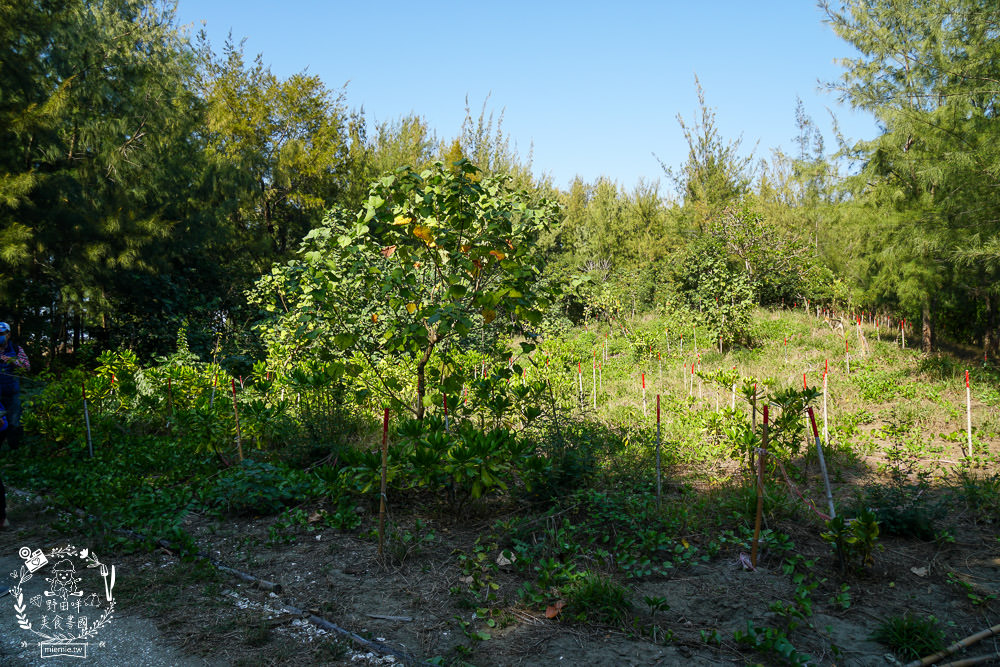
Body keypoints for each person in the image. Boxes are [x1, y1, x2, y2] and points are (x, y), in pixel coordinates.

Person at [0, 321, 29, 450]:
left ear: (8, 334)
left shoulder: (17, 349)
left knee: (14, 422)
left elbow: (27, 367)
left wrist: (13, 361)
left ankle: (14, 450)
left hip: (13, 393)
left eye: (2, 333)